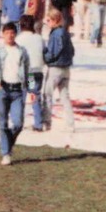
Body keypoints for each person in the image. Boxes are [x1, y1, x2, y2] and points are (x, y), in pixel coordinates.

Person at [0, 22, 30, 165]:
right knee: (3, 122)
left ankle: (7, 144)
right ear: (2, 34)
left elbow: (28, 70)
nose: (10, 35)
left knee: (18, 123)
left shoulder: (22, 51)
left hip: (18, 90)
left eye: (12, 32)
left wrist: (31, 89)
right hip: (3, 89)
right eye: (7, 33)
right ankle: (6, 153)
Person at [41, 9, 75, 147]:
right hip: (66, 68)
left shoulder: (56, 34)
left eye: (48, 20)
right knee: (65, 97)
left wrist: (46, 57)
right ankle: (70, 124)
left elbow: (53, 51)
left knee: (46, 94)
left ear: (54, 20)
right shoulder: (65, 32)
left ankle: (46, 121)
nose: (47, 23)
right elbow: (72, 50)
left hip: (53, 69)